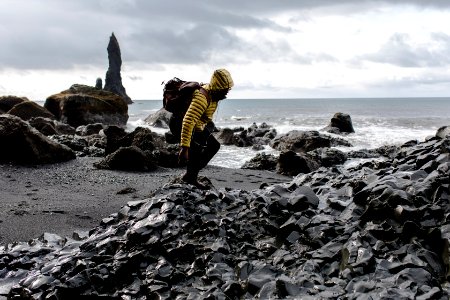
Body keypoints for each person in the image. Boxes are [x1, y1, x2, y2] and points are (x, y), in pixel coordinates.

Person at [177, 68, 234, 189]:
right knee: (195, 150)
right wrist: (184, 148)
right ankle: (191, 177)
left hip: (198, 126)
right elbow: (188, 121)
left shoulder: (213, 94)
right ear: (218, 87)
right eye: (225, 90)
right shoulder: (202, 98)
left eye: (228, 90)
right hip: (182, 125)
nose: (226, 93)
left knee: (214, 146)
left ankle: (190, 174)